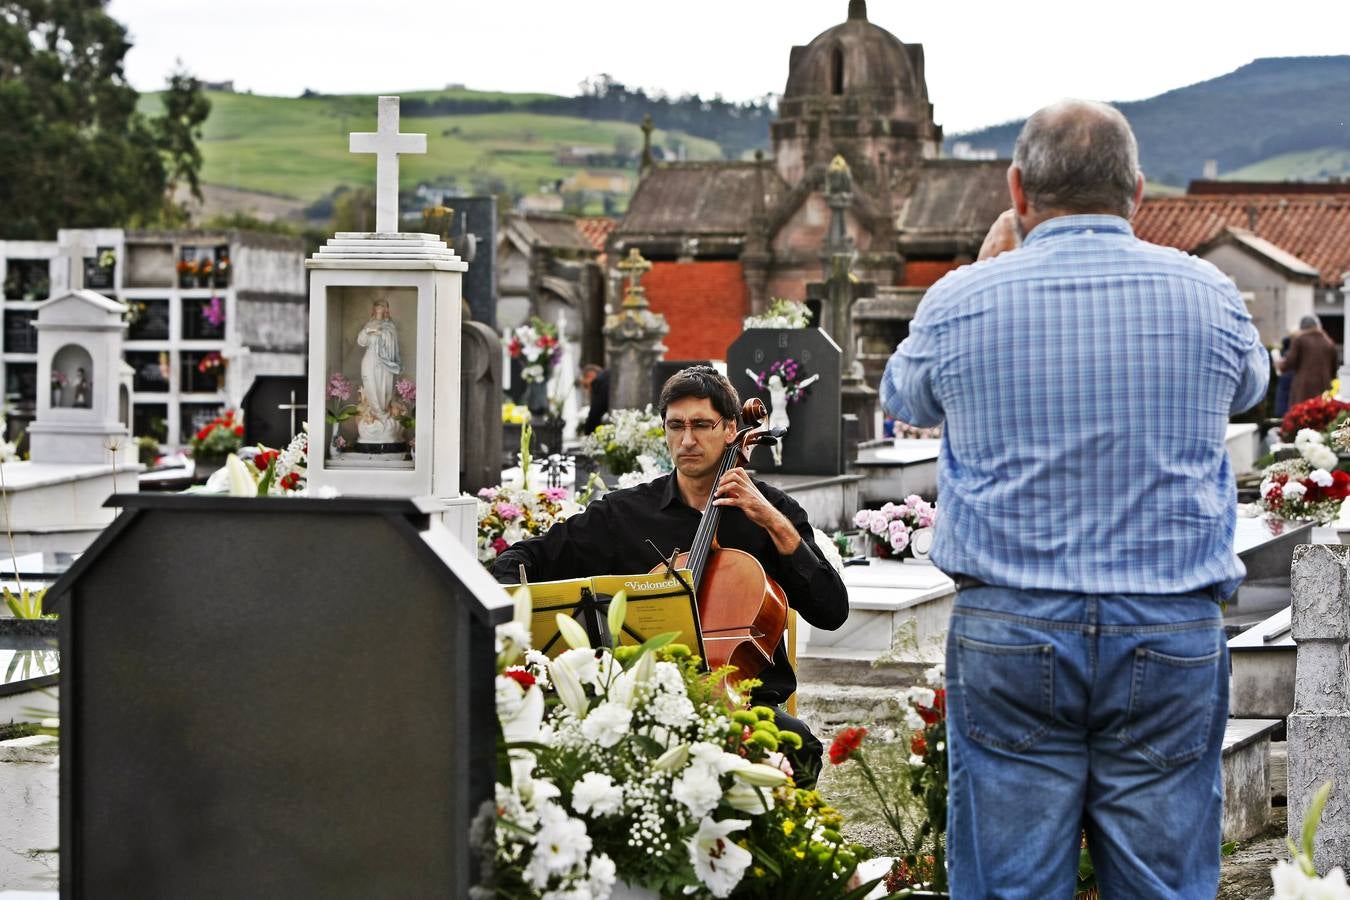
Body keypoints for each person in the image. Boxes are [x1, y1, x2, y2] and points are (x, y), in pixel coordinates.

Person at [881, 100, 1268, 899]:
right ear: (1137, 193)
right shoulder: (1210, 294)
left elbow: (905, 399)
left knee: (1010, 886)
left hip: (1014, 627)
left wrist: (986, 269)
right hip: (1168, 623)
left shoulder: (963, 299)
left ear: (1017, 190)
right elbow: (1254, 386)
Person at [492, 365, 848, 786]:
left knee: (797, 746)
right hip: (643, 697)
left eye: (701, 424)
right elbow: (522, 559)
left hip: (747, 704)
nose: (687, 439)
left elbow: (831, 611)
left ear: (733, 429)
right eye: (676, 425)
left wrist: (777, 527)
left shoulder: (773, 512)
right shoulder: (624, 513)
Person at [1278, 314, 1339, 407]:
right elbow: (1334, 370)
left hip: (1303, 390)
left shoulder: (1299, 340)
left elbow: (1290, 362)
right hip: (1324, 389)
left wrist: (1280, 364)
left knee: (1301, 417)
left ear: (1302, 327)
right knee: (1322, 416)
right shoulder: (1329, 342)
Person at [357, 298, 400, 418]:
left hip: (385, 361)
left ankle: (384, 413)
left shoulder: (390, 326)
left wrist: (382, 334)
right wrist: (367, 331)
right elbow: (361, 341)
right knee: (371, 385)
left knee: (384, 386)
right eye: (378, 306)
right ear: (374, 308)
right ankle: (375, 414)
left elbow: (393, 343)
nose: (380, 309)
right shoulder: (369, 324)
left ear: (386, 309)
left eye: (383, 306)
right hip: (370, 358)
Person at [578, 363, 609, 435]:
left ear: (590, 375)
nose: (588, 390)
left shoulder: (598, 383)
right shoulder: (606, 377)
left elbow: (594, 416)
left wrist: (587, 436)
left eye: (586, 386)